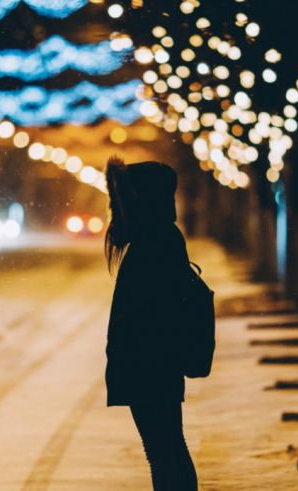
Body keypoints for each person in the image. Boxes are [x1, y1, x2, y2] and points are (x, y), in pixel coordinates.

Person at [103, 156, 198, 490]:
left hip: (147, 363)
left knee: (161, 451)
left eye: (123, 198)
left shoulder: (151, 244)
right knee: (170, 446)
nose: (117, 207)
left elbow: (145, 313)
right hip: (159, 362)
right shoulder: (163, 237)